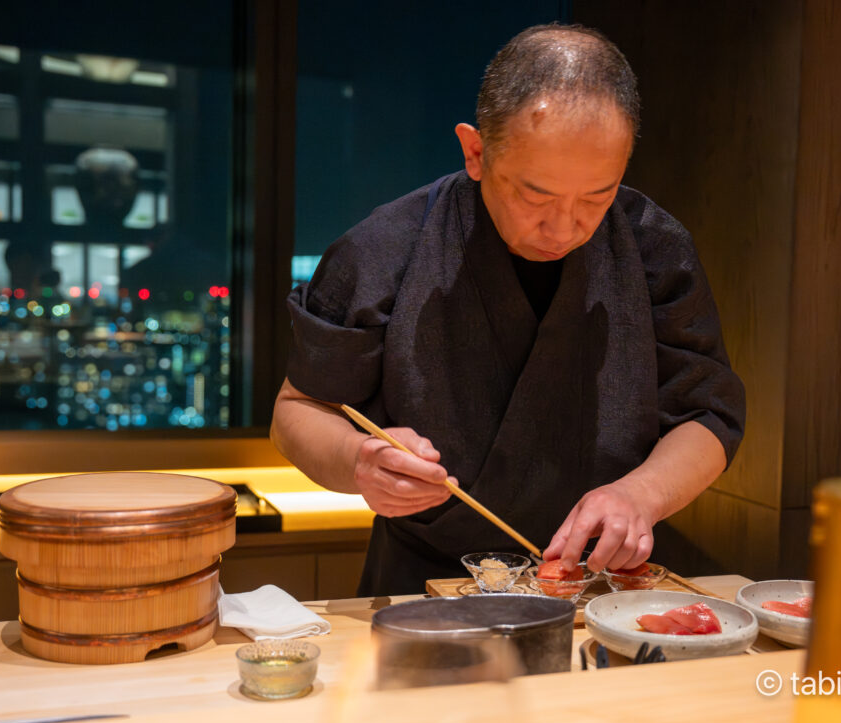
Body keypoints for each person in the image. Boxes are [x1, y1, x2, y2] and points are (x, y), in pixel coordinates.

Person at [270, 23, 745, 597]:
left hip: (601, 585)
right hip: (425, 581)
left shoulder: (656, 249)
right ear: (476, 151)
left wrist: (639, 494)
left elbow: (707, 415)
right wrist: (358, 461)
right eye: (536, 195)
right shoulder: (382, 250)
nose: (565, 226)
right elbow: (298, 409)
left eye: (598, 196)